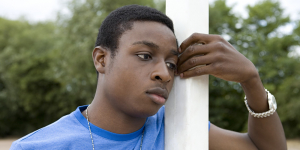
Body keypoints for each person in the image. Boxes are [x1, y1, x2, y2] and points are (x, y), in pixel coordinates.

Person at [10, 4, 287, 150]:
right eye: (145, 56)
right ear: (101, 59)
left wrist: (251, 81)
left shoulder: (176, 127)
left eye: (171, 63)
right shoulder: (38, 147)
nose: (163, 73)